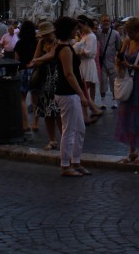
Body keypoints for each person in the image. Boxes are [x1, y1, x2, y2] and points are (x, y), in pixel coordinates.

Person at [53, 16, 93, 177]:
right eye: (75, 28)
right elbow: (69, 74)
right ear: (68, 30)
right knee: (69, 129)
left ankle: (76, 161)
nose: (77, 31)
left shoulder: (64, 46)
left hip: (69, 92)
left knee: (79, 129)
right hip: (67, 92)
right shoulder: (65, 49)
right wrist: (82, 94)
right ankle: (65, 165)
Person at [114, 17, 139, 164]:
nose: (128, 35)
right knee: (129, 116)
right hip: (129, 81)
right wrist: (119, 61)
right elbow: (121, 56)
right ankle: (131, 150)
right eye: (127, 32)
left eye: (130, 32)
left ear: (137, 31)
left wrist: (131, 66)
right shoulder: (126, 41)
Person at [29, 21, 61, 149]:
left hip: (56, 79)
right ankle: (52, 140)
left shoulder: (58, 42)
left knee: (58, 111)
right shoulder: (41, 42)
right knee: (47, 112)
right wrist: (39, 60)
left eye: (47, 34)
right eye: (44, 35)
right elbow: (34, 59)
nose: (46, 37)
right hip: (44, 80)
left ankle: (64, 138)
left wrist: (39, 60)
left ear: (52, 32)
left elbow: (52, 55)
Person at [11, 21, 38, 133]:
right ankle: (35, 124)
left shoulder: (19, 44)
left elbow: (16, 60)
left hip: (23, 71)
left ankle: (25, 124)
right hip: (35, 71)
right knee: (35, 99)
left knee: (22, 98)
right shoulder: (37, 43)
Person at [95, 15, 121, 109]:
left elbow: (118, 47)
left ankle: (114, 100)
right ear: (101, 22)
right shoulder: (98, 33)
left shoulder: (116, 34)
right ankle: (103, 101)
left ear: (110, 22)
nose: (105, 22)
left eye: (107, 21)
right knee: (102, 81)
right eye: (104, 21)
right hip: (102, 62)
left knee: (114, 81)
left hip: (112, 61)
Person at [73, 16, 99, 108]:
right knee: (87, 84)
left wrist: (79, 51)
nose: (79, 29)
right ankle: (91, 105)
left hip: (87, 62)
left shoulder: (91, 36)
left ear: (86, 25)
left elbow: (89, 52)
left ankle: (88, 104)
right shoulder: (85, 35)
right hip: (84, 63)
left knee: (85, 84)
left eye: (80, 27)